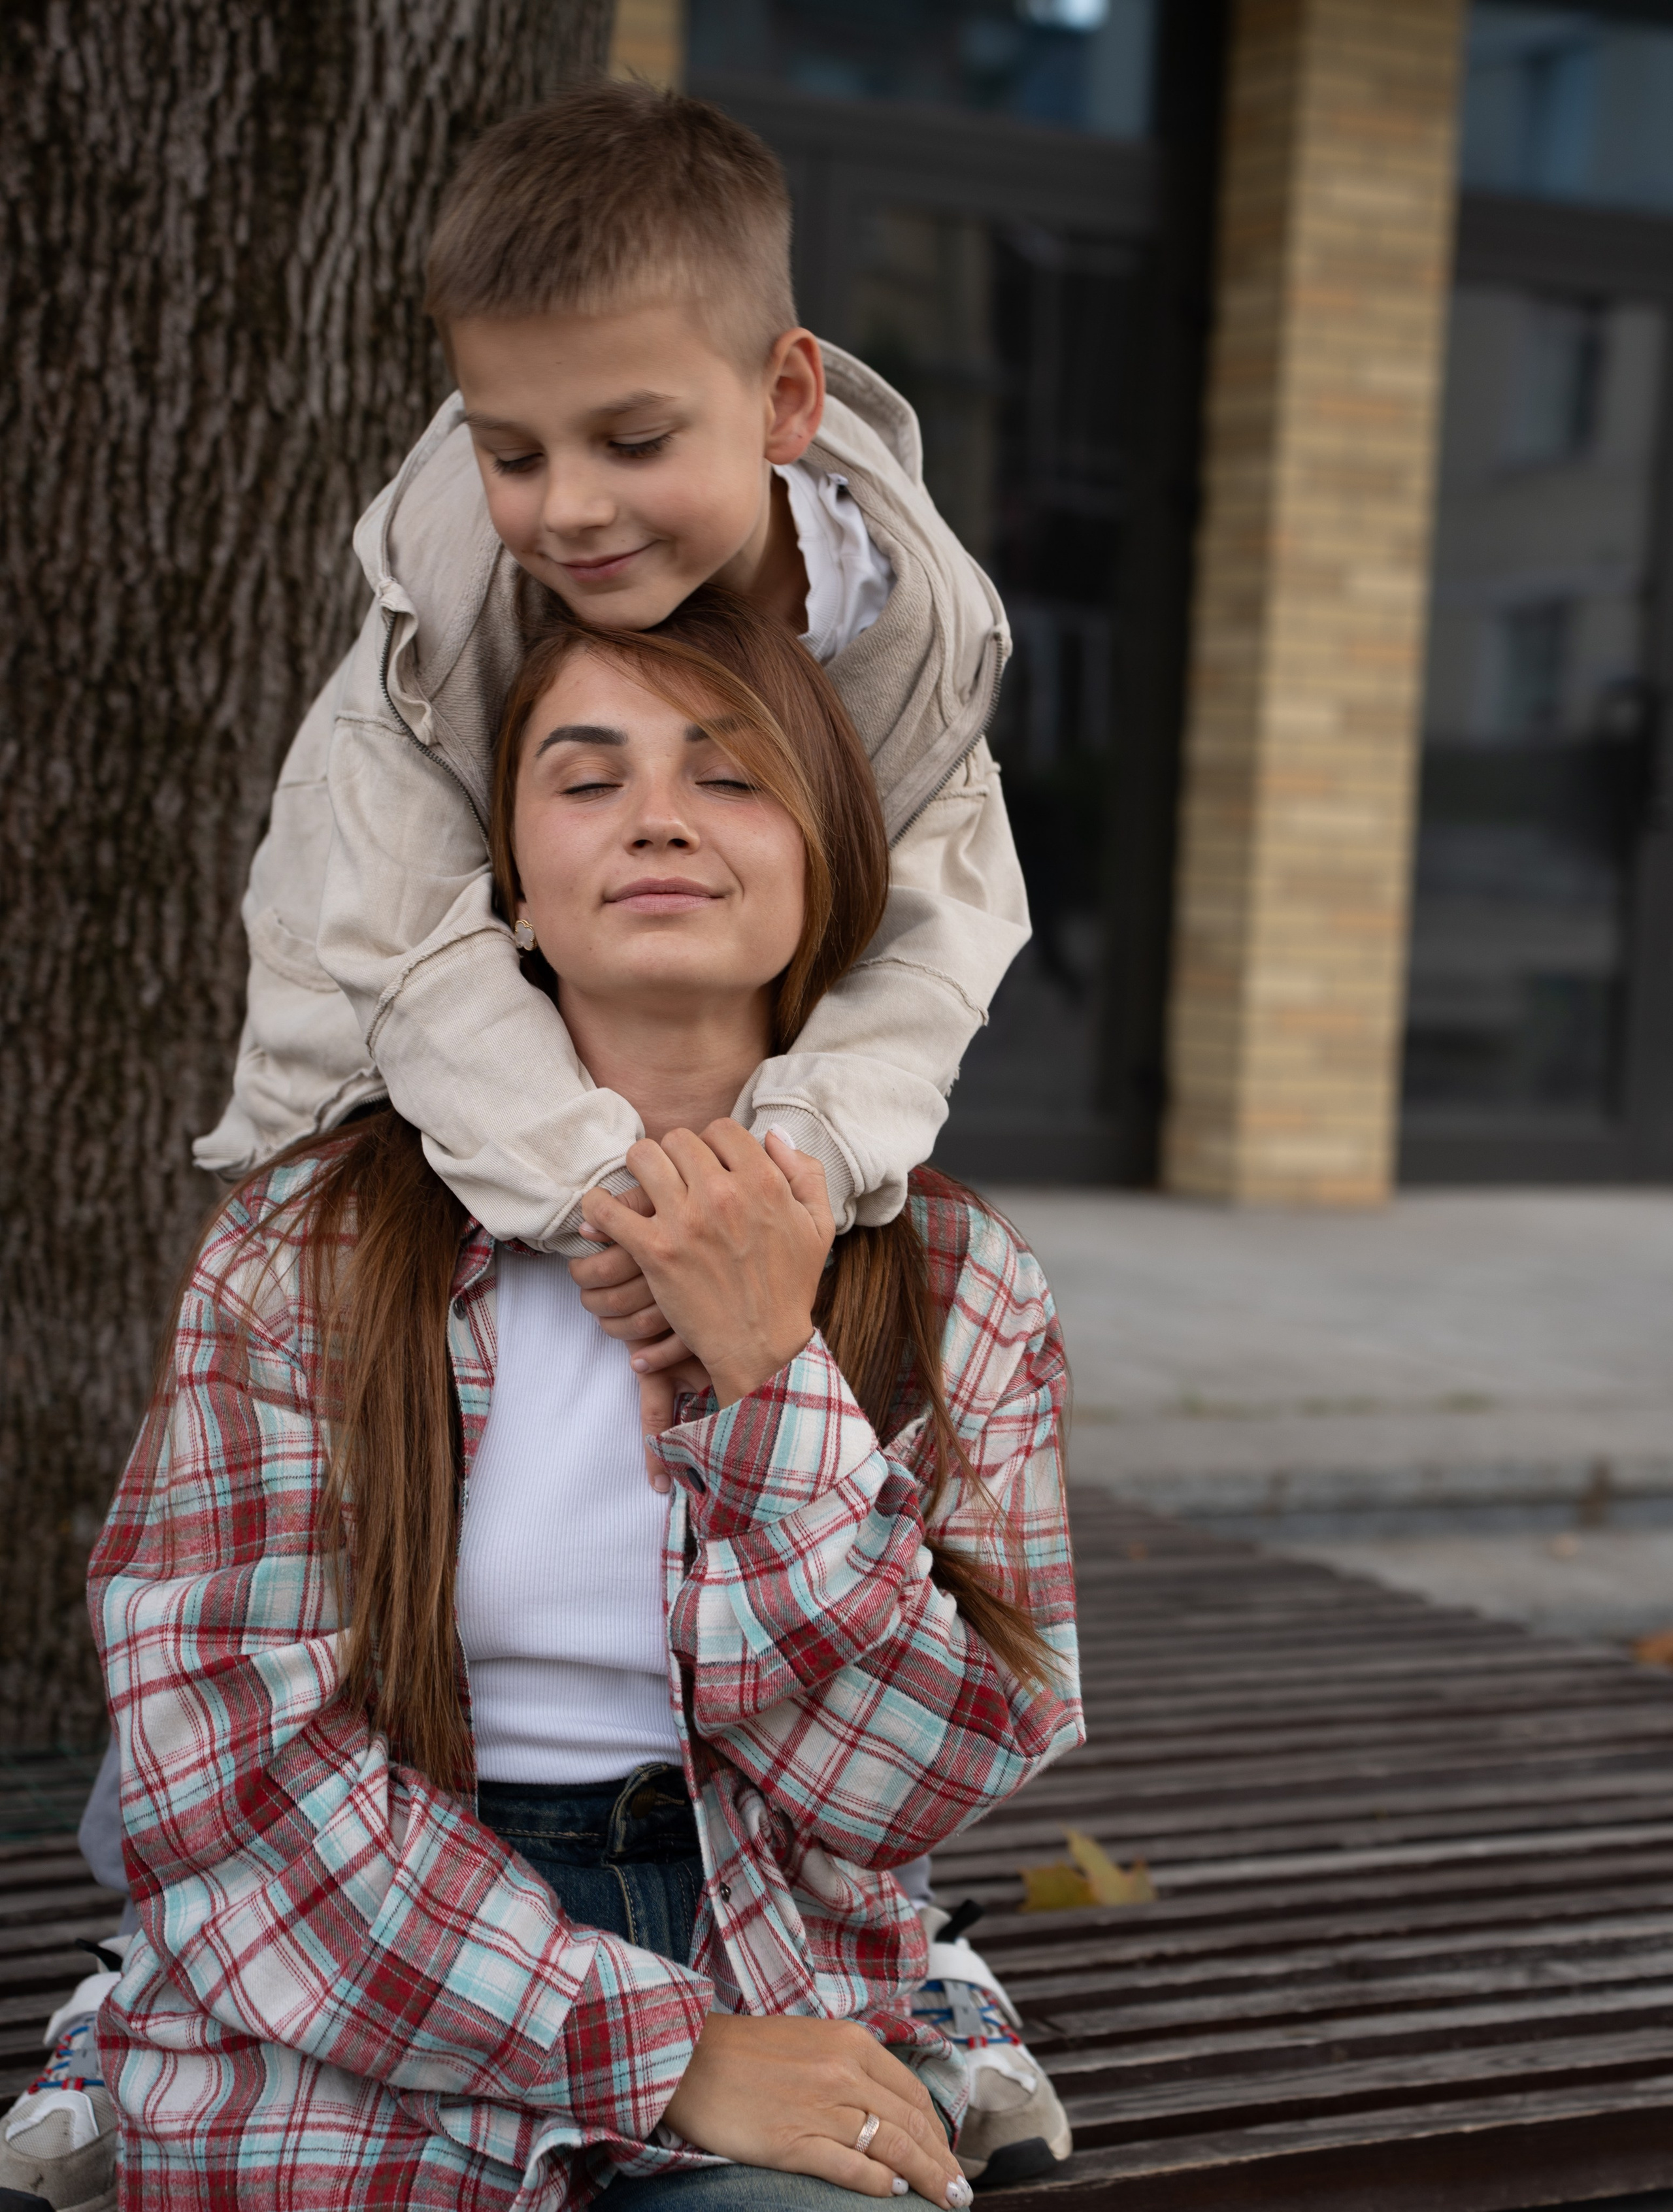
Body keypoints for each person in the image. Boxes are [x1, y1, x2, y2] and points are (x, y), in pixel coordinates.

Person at [85, 597, 1082, 2209]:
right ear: (516, 893)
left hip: (773, 1943)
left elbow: (923, 1782)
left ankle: (940, 2004)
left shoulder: (961, 1281)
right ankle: (119, 1997)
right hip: (357, 1968)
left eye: (733, 775)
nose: (662, 817)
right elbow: (230, 1766)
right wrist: (660, 2050)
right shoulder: (306, 1249)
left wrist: (770, 1371)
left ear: (828, 873)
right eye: (587, 775)